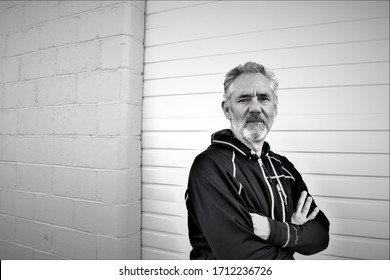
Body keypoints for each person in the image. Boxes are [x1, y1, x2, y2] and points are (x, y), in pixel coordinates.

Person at [185, 62, 330, 259]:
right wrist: (295, 235)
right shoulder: (211, 166)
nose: (255, 107)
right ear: (227, 109)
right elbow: (241, 257)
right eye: (244, 99)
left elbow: (320, 236)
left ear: (275, 108)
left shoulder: (284, 167)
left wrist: (273, 231)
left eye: (264, 98)